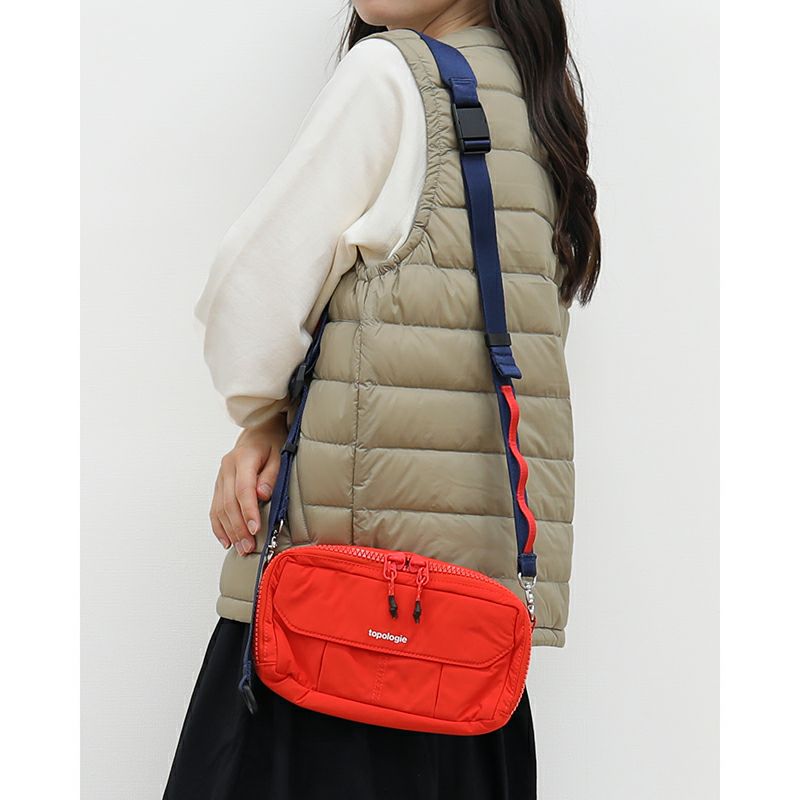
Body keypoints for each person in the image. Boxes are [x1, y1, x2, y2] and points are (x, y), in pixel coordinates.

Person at [164, 1, 600, 798]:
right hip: (470, 662)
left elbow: (248, 300)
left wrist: (263, 418)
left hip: (336, 636)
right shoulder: (537, 109)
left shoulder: (394, 77)